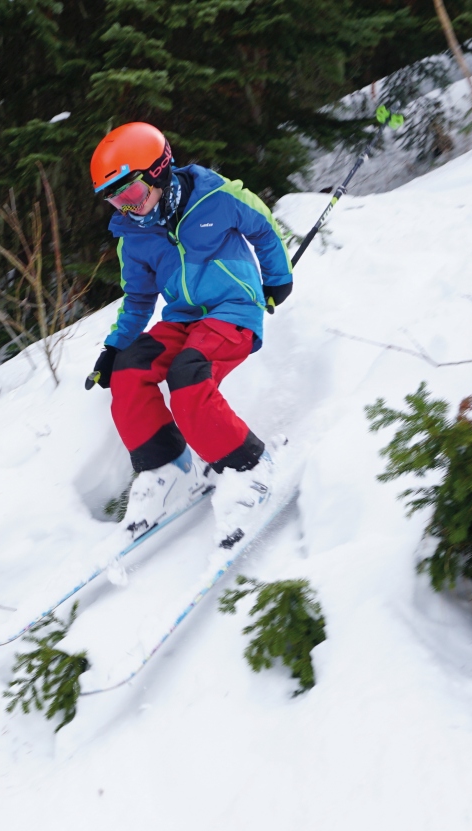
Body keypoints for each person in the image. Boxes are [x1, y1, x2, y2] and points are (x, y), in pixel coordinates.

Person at [84, 121, 294, 545]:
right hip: (182, 319)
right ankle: (168, 466)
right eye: (115, 199)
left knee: (189, 373)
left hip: (233, 310)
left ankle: (248, 467)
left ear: (159, 170)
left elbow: (263, 227)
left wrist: (277, 278)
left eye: (133, 193)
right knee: (129, 369)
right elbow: (138, 300)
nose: (127, 207)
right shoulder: (132, 237)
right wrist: (114, 347)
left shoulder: (217, 196)